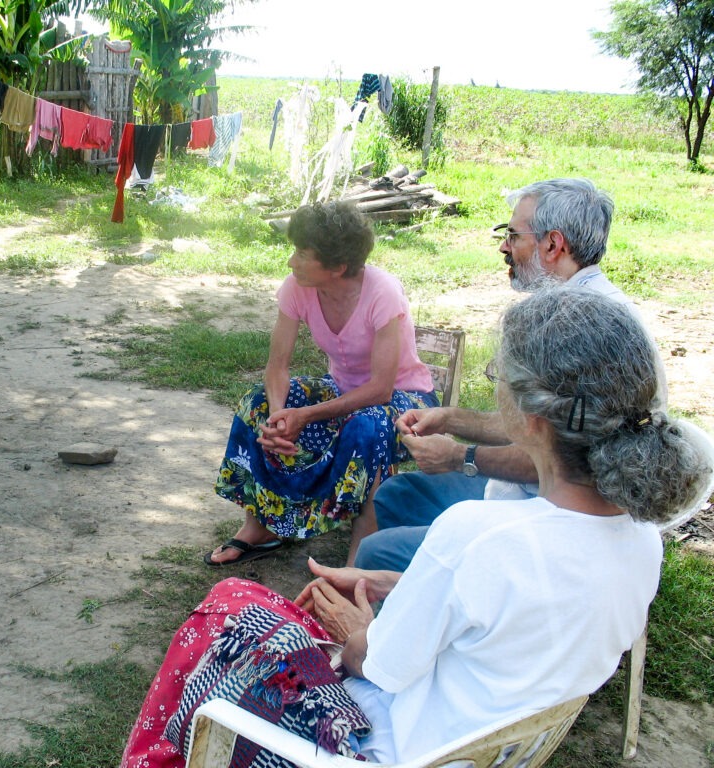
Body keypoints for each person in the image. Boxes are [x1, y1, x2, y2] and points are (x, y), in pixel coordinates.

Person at [121, 288, 713, 768]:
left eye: (498, 376)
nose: (493, 384)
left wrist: (361, 626)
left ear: (531, 422)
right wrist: (396, 583)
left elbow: (376, 664)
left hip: (379, 748)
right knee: (256, 608)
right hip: (484, 744)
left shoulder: (479, 536)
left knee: (230, 605)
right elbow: (509, 616)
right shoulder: (640, 539)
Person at [356, 176, 667, 572]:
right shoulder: (583, 306)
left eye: (513, 235)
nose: (504, 246)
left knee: (376, 553)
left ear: (553, 245)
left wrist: (461, 457)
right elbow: (536, 425)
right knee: (397, 494)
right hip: (527, 494)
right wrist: (451, 419)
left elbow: (571, 463)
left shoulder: (576, 328)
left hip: (554, 520)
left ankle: (443, 594)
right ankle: (438, 589)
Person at [207, 201, 437, 568]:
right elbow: (276, 367)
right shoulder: (298, 287)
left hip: (407, 402)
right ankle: (260, 524)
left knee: (370, 424)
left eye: (301, 253)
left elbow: (381, 390)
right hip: (342, 392)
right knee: (258, 403)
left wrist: (306, 415)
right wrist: (280, 418)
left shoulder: (382, 292)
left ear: (337, 267)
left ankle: (361, 556)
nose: (291, 262)